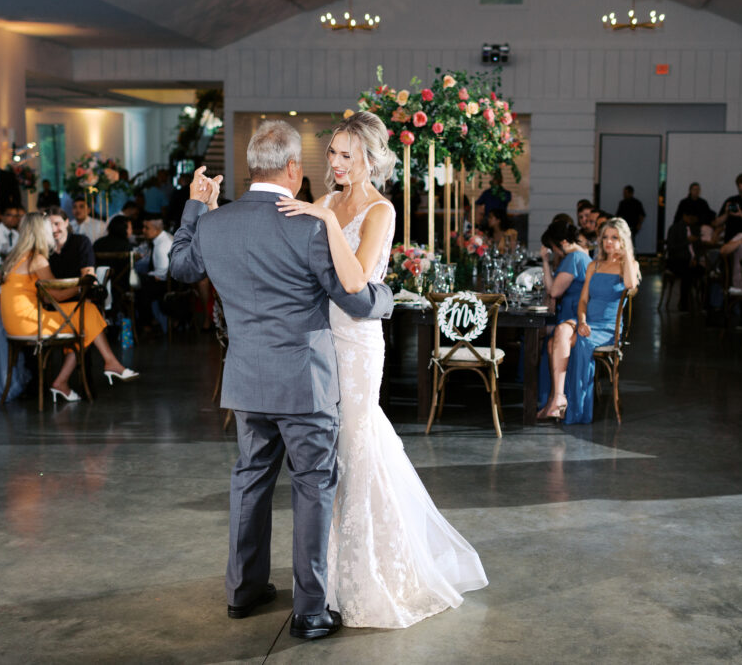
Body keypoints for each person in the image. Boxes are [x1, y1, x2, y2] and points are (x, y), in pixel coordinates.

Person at [169, 120, 396, 641]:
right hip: (305, 383)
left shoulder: (215, 223)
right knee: (314, 486)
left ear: (252, 167)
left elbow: (180, 267)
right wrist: (388, 297)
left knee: (251, 480)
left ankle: (243, 592)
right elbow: (357, 299)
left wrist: (197, 206)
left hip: (247, 380)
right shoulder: (309, 224)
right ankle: (310, 610)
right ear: (294, 169)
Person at [274, 113, 489, 630]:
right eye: (332, 153)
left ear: (371, 158)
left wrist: (324, 222)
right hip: (320, 340)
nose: (337, 163)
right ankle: (327, 577)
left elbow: (354, 282)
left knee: (357, 445)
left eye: (348, 155)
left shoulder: (379, 209)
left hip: (358, 342)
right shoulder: (323, 200)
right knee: (327, 454)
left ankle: (369, 573)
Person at [0, 213, 137, 403]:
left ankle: (65, 380)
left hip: (15, 324)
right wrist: (83, 285)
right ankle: (109, 363)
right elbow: (57, 294)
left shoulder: (16, 257)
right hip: (30, 323)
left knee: (83, 322)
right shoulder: (37, 259)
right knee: (87, 314)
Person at [539, 218, 640, 423]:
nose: (608, 242)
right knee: (561, 330)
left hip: (608, 328)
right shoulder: (594, 265)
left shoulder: (629, 265)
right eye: (605, 238)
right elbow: (583, 300)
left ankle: (555, 400)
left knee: (553, 344)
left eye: (614, 237)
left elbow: (630, 284)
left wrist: (627, 254)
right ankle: (559, 398)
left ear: (623, 240)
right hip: (587, 321)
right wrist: (582, 321)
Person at [537, 220, 592, 413]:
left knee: (541, 336)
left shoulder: (574, 258)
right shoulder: (580, 254)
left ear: (560, 243)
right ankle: (551, 399)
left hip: (574, 315)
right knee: (544, 337)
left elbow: (553, 291)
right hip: (572, 313)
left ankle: (548, 397)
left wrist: (544, 261)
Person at [134, 218, 174, 333]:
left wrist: (147, 275)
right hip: (165, 278)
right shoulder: (159, 239)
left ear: (156, 230)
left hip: (170, 282)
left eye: (147, 228)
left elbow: (161, 274)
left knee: (140, 286)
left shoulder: (162, 244)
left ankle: (147, 323)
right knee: (141, 281)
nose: (143, 230)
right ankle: (149, 321)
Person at [665, 207, 701, 311]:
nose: (692, 220)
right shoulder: (675, 228)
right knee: (687, 272)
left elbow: (698, 248)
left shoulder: (695, 229)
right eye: (690, 217)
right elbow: (671, 248)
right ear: (684, 216)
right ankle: (684, 304)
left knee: (703, 272)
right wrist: (687, 241)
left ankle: (703, 303)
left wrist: (696, 258)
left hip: (690, 260)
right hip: (676, 261)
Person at [47, 208, 95, 279]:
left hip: (79, 288)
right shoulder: (45, 247)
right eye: (48, 226)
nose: (53, 229)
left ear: (66, 222)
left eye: (57, 224)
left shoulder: (81, 242)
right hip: (52, 289)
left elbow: (88, 277)